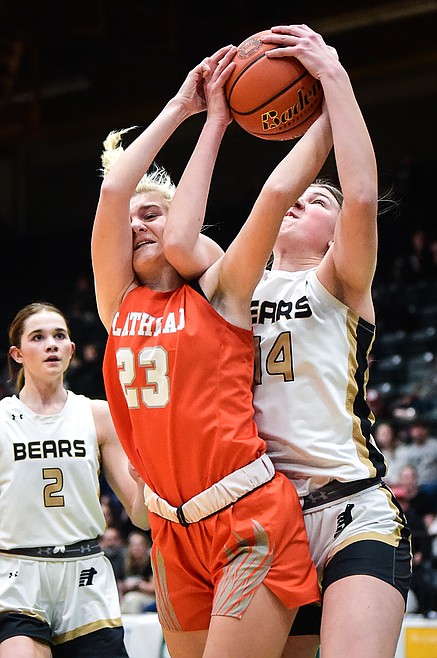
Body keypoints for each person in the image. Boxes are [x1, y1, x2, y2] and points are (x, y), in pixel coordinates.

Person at [162, 24, 412, 658]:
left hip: (351, 507)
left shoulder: (340, 283)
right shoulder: (233, 283)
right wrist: (215, 119)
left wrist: (334, 78)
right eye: (299, 191)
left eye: (318, 198)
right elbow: (180, 241)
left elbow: (361, 195)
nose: (301, 197)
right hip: (266, 519)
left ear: (337, 231)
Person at [91, 43, 326, 658]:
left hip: (247, 516)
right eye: (132, 221)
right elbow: (113, 191)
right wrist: (185, 106)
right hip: (171, 531)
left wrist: (221, 123)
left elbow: (273, 195)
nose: (137, 225)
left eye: (153, 214)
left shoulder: (221, 291)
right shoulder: (119, 304)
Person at [0, 302, 149, 658]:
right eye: (38, 337)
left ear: (71, 349)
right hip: (18, 573)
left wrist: (146, 483)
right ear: (17, 354)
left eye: (59, 336)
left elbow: (141, 517)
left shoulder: (97, 415)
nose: (51, 344)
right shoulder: (3, 419)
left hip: (85, 573)